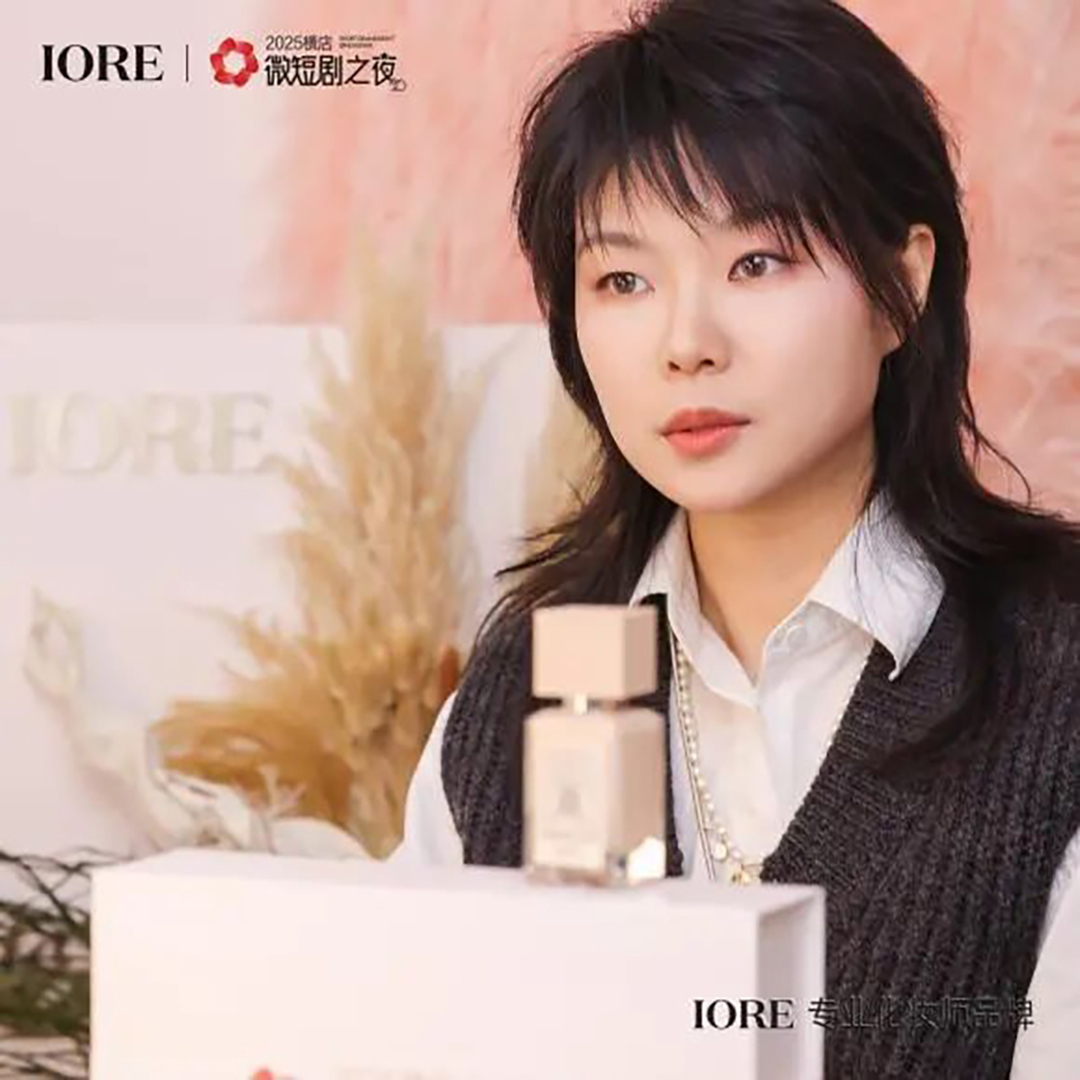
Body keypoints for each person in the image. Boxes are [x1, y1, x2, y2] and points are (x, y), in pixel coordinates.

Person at [394, 1, 1080, 1076]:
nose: (686, 344)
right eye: (623, 280)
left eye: (757, 262)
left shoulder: (1057, 676)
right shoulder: (514, 694)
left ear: (902, 287)